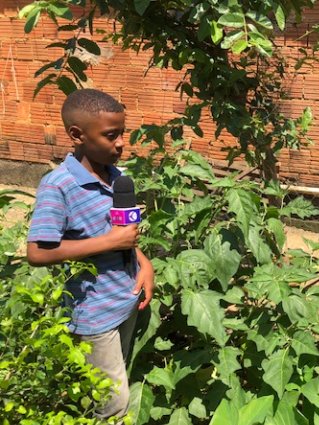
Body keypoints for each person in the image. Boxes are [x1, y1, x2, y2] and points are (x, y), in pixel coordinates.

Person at [26, 88, 154, 420]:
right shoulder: (59, 186)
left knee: (116, 376)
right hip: (94, 314)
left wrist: (144, 263)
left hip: (126, 300)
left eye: (122, 133)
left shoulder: (120, 179)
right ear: (77, 135)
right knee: (114, 404)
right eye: (111, 136)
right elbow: (37, 252)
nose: (122, 143)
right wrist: (109, 242)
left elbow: (126, 235)